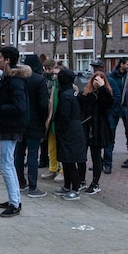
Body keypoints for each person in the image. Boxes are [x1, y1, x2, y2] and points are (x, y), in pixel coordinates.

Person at [0, 46, 29, 218]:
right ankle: (14, 199)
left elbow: (19, 107)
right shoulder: (8, 79)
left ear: (7, 60)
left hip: (11, 128)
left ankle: (14, 202)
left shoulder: (14, 82)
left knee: (6, 165)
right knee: (8, 164)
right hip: (7, 126)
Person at [14, 54, 49, 197]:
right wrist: (44, 121)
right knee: (33, 155)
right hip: (34, 123)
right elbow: (43, 104)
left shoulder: (17, 79)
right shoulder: (39, 80)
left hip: (19, 122)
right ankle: (33, 187)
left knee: (19, 153)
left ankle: (20, 182)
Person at [51, 69, 87, 200]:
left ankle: (75, 189)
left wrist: (60, 130)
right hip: (74, 130)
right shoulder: (73, 93)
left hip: (69, 132)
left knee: (70, 161)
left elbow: (64, 116)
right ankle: (67, 186)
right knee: (66, 160)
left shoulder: (66, 96)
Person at [78, 70, 114, 195]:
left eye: (99, 79)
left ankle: (95, 183)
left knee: (96, 156)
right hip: (86, 127)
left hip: (98, 128)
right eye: (95, 79)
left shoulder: (105, 93)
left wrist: (102, 87)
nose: (96, 82)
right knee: (81, 155)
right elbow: (80, 102)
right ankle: (81, 180)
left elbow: (109, 104)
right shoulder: (86, 93)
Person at [104, 57, 128, 173]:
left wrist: (114, 110)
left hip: (120, 109)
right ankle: (104, 162)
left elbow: (117, 95)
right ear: (121, 64)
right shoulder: (113, 76)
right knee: (108, 136)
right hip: (114, 110)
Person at [40, 58, 60, 179]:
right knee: (51, 146)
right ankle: (53, 167)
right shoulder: (48, 82)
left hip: (58, 119)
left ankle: (62, 170)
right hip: (51, 118)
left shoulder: (62, 85)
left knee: (60, 145)